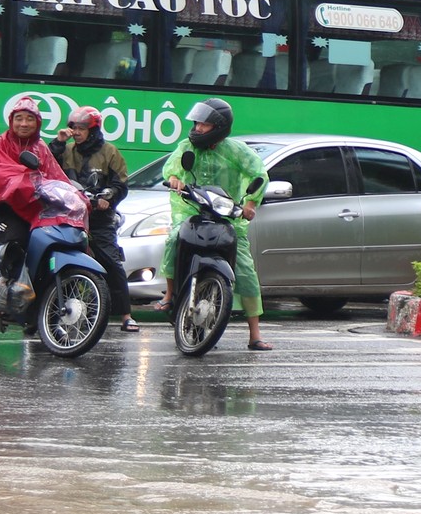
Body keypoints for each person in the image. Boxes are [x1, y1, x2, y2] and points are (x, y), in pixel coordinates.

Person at [161, 98, 272, 350]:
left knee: (245, 270)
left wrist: (251, 203)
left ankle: (255, 334)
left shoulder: (237, 151)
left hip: (227, 216)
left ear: (220, 126)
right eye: (198, 123)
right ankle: (169, 296)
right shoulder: (187, 146)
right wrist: (175, 179)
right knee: (172, 239)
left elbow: (259, 174)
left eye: (205, 124)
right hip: (190, 210)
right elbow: (172, 167)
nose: (198, 128)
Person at [0, 95, 68, 313]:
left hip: (33, 208)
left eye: (29, 119)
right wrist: (26, 178)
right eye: (19, 118)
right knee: (18, 240)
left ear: (37, 123)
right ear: (11, 120)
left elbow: (55, 174)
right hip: (4, 208)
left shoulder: (41, 148)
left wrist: (72, 192)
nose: (23, 123)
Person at [52, 107, 134, 331]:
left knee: (112, 263)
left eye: (81, 128)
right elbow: (46, 165)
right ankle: (43, 312)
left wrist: (109, 197)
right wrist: (58, 142)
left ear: (93, 130)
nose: (76, 132)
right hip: (68, 216)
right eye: (73, 128)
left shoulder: (110, 152)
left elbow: (121, 184)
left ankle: (126, 316)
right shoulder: (65, 150)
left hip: (99, 219)